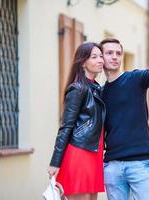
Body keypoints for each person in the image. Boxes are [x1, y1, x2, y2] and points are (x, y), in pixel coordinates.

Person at [100, 36, 149, 200]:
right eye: (109, 53)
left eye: (118, 53)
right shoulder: (99, 93)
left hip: (140, 164)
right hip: (112, 165)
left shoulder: (135, 79)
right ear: (101, 57)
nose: (115, 56)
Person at [47, 42, 105, 200]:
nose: (101, 60)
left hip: (95, 152)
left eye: (101, 56)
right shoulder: (78, 88)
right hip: (80, 152)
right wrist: (55, 162)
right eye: (94, 57)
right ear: (83, 62)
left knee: (92, 197)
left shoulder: (96, 88)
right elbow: (66, 127)